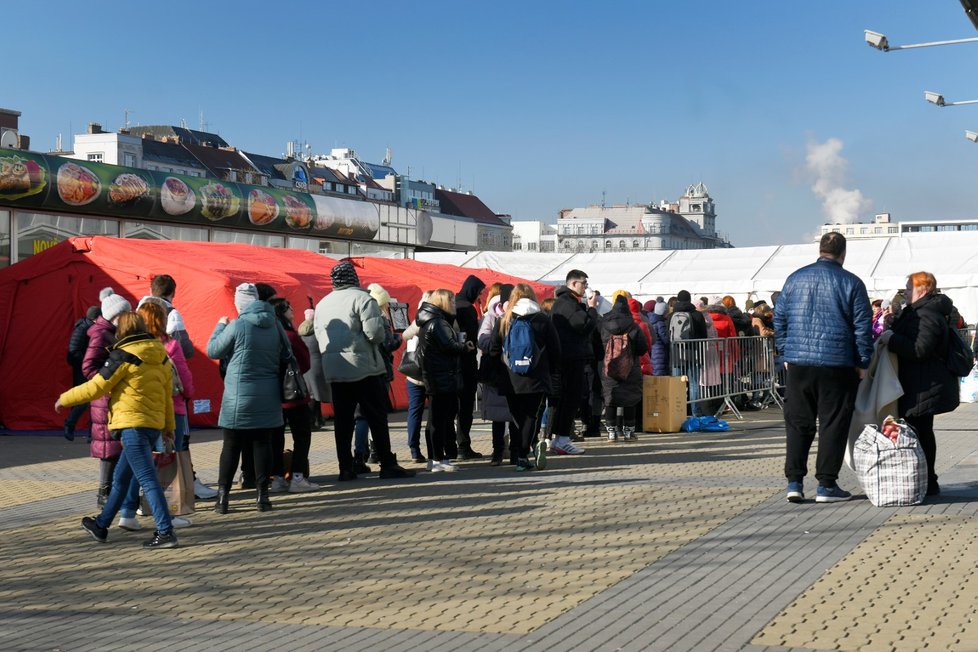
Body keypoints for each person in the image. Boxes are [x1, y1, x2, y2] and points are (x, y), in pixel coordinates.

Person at [57, 311, 178, 549]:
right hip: (152, 426)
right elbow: (167, 396)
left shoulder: (123, 355)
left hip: (132, 425)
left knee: (147, 479)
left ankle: (165, 532)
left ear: (121, 330)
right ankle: (101, 525)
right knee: (121, 479)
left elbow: (96, 386)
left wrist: (65, 398)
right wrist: (168, 427)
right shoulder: (161, 355)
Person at [774, 232, 872, 504]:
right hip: (837, 363)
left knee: (798, 423)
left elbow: (779, 318)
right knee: (833, 423)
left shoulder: (795, 278)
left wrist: (785, 351)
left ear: (819, 249)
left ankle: (794, 482)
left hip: (799, 362)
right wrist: (863, 361)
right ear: (843, 253)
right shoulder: (852, 283)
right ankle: (826, 484)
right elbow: (862, 328)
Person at [313, 261, 414, 481]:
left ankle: (345, 468)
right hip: (364, 368)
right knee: (376, 417)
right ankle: (387, 464)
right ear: (354, 278)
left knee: (343, 420)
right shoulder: (363, 299)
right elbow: (375, 334)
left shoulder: (322, 304)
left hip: (335, 369)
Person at [207, 283, 290, 514]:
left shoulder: (238, 325)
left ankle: (222, 499)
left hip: (237, 396)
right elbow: (288, 354)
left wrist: (219, 326)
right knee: (263, 444)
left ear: (239, 304)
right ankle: (263, 498)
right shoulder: (275, 323)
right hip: (268, 395)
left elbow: (213, 350)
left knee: (231, 446)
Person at [881, 272, 960, 497]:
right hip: (918, 383)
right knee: (919, 431)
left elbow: (919, 349)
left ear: (922, 290)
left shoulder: (927, 314)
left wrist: (891, 338)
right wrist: (892, 324)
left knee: (921, 432)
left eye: (908, 288)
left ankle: (927, 481)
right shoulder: (918, 311)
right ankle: (923, 479)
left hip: (924, 385)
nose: (904, 291)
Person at [489, 283, 560, 471]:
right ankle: (522, 454)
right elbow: (555, 350)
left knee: (517, 416)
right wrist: (550, 373)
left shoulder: (504, 320)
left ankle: (520, 450)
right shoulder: (543, 320)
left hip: (510, 377)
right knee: (531, 416)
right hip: (536, 377)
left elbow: (493, 349)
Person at [84, 288, 131, 506]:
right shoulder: (101, 333)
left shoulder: (112, 332)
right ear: (115, 315)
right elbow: (88, 366)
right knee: (107, 446)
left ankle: (111, 492)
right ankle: (104, 492)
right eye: (125, 313)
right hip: (104, 397)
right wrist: (107, 380)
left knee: (114, 444)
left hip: (111, 396)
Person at [416, 289, 473, 472]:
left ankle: (438, 458)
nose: (455, 305)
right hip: (441, 376)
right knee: (439, 419)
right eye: (452, 302)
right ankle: (438, 459)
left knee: (439, 418)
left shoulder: (432, 320)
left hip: (437, 375)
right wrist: (465, 347)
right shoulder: (438, 323)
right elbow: (449, 346)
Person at [269, 297, 319, 493]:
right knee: (302, 435)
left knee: (276, 437)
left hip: (273, 395)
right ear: (282, 312)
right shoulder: (290, 336)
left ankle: (277, 477)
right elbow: (305, 362)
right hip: (294, 395)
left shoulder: (268, 335)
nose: (292, 311)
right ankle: (297, 476)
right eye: (289, 308)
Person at [353, 283, 403, 471]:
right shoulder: (381, 320)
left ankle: (359, 455)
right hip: (377, 371)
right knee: (376, 416)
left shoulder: (357, 317)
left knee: (361, 417)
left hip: (357, 370)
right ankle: (378, 453)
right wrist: (400, 338)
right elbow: (387, 344)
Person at [548, 269, 598, 455]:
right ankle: (561, 438)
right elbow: (584, 325)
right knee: (571, 397)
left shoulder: (567, 303)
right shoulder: (567, 304)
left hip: (569, 356)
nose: (586, 287)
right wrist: (592, 308)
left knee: (568, 398)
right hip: (570, 357)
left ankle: (559, 439)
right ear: (573, 284)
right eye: (584, 283)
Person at [597, 295, 649, 441]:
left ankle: (611, 433)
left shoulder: (603, 325)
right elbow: (642, 348)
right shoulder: (634, 326)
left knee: (610, 399)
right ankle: (628, 433)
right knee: (630, 400)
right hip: (630, 368)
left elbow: (597, 344)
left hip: (609, 366)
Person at [453, 274, 486, 459]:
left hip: (450, 364)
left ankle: (449, 447)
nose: (479, 296)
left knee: (450, 408)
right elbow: (473, 337)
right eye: (479, 292)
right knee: (465, 408)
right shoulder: (467, 309)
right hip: (466, 364)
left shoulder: (452, 304)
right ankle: (463, 446)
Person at [402, 292, 432, 463]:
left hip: (413, 374)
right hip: (431, 374)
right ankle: (434, 450)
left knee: (414, 411)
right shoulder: (439, 321)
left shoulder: (417, 321)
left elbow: (405, 335)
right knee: (434, 413)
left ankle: (414, 449)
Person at [670, 290, 709, 416]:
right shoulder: (697, 315)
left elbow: (668, 335)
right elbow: (704, 335)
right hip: (693, 353)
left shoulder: (672, 315)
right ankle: (695, 412)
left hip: (676, 353)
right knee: (693, 384)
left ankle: (677, 412)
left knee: (677, 384)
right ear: (689, 299)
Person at [64, 305, 100, 441]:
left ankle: (93, 434)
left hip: (88, 368)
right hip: (83, 369)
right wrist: (88, 360)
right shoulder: (83, 329)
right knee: (85, 400)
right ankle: (70, 424)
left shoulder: (88, 327)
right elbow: (73, 350)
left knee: (95, 401)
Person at [138, 273, 193, 360]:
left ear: (150, 291)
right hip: (162, 364)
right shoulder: (173, 315)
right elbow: (186, 351)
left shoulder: (137, 311)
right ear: (173, 293)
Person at [298, 308, 330, 430]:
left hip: (305, 366)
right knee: (315, 395)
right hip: (317, 365)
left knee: (311, 394)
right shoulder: (317, 332)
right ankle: (314, 421)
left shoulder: (300, 332)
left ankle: (316, 420)